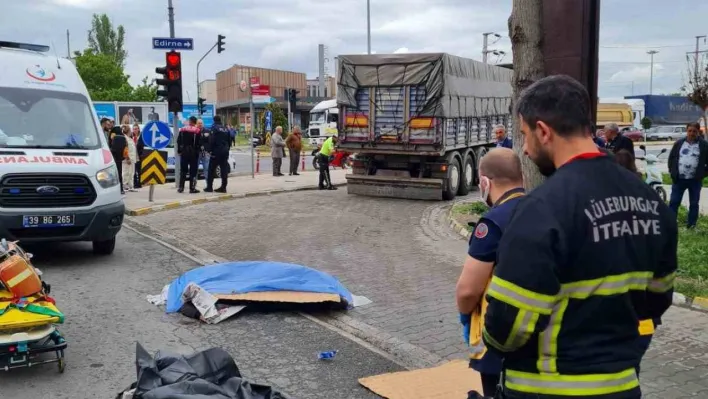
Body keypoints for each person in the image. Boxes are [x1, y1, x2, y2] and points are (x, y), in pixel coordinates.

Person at [482, 75, 678, 399]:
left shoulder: (541, 210)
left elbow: (508, 327)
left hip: (545, 390)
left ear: (543, 131)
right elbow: (658, 298)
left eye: (525, 136)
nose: (526, 150)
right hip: (622, 388)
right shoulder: (651, 202)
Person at [456, 147, 525, 398]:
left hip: (498, 333)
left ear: (485, 182)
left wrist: (465, 315)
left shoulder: (493, 223)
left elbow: (468, 290)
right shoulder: (540, 210)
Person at [668, 122, 708, 229]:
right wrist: (672, 172)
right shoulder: (679, 143)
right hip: (679, 179)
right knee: (674, 202)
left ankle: (691, 225)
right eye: (690, 131)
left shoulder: (704, 145)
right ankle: (670, 225)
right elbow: (671, 158)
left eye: (694, 131)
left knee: (694, 204)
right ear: (687, 131)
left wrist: (702, 174)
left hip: (695, 181)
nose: (692, 133)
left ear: (698, 132)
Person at [205, 116, 231, 193]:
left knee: (211, 169)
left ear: (214, 120)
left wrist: (209, 150)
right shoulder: (226, 128)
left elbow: (211, 140)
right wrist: (227, 149)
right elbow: (229, 141)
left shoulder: (214, 128)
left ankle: (209, 187)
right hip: (225, 151)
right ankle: (224, 187)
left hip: (216, 151)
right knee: (224, 169)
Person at [177, 116, 201, 194]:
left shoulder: (183, 129)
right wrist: (197, 152)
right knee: (193, 171)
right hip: (193, 153)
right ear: (195, 122)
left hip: (184, 152)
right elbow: (199, 143)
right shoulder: (197, 131)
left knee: (183, 170)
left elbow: (178, 141)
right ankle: (192, 188)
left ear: (189, 121)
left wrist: (179, 151)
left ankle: (181, 187)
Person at [109, 124, 128, 195]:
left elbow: (111, 147)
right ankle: (121, 189)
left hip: (112, 158)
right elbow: (125, 148)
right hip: (119, 159)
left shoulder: (114, 138)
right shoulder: (123, 137)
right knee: (120, 174)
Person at [122, 124, 138, 192]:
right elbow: (125, 149)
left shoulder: (130, 139)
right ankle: (125, 186)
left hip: (132, 159)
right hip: (127, 159)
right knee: (126, 172)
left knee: (131, 173)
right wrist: (127, 158)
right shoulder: (124, 138)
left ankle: (131, 186)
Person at [197, 118, 211, 185]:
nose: (200, 124)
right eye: (198, 123)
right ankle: (194, 185)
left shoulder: (207, 131)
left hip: (205, 152)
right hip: (196, 152)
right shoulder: (194, 131)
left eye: (201, 123)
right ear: (196, 124)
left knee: (206, 168)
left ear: (203, 124)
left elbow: (210, 141)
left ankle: (208, 185)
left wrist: (208, 151)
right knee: (195, 169)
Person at [133, 123, 145, 189]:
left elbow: (142, 146)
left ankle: (139, 183)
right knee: (133, 171)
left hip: (139, 156)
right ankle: (135, 183)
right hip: (133, 156)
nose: (135, 130)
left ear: (138, 129)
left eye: (136, 129)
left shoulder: (141, 137)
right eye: (134, 129)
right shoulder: (132, 137)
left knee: (139, 170)